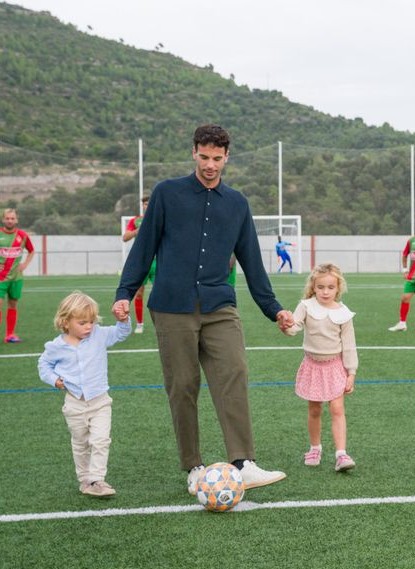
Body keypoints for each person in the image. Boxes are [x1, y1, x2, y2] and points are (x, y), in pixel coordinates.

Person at [113, 124, 293, 494]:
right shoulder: (167, 193)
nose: (210, 165)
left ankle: (243, 462)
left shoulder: (238, 204)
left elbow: (252, 263)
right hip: (171, 307)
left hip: (219, 305)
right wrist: (124, 292)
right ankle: (194, 467)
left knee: (234, 373)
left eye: (217, 158)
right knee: (183, 385)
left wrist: (274, 309)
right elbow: (143, 246)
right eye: (204, 157)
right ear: (194, 152)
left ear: (227, 157)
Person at [38, 292, 131, 497]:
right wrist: (53, 379)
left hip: (100, 402)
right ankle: (85, 481)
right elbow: (43, 365)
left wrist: (123, 321)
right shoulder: (56, 347)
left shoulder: (98, 335)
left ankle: (98, 479)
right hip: (74, 405)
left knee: (100, 440)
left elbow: (120, 333)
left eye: (91, 321)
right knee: (81, 444)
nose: (89, 326)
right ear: (65, 322)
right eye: (82, 323)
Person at [285, 263, 358, 472]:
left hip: (335, 366)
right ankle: (315, 448)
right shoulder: (306, 306)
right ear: (313, 287)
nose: (325, 292)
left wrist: (351, 372)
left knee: (337, 409)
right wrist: (287, 325)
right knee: (315, 409)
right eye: (320, 287)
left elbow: (349, 345)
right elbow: (294, 328)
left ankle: (341, 454)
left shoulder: (343, 313)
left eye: (330, 287)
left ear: (338, 288)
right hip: (313, 366)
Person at [0, 208, 35, 344]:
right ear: (3, 220)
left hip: (16, 277)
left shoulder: (23, 235)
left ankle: (10, 335)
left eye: (12, 218)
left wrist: (25, 264)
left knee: (12, 305)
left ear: (16, 220)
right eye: (7, 218)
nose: (10, 221)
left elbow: (31, 250)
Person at [122, 195, 156, 334]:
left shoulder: (158, 218)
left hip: (157, 261)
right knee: (139, 293)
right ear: (142, 206)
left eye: (149, 203)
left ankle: (159, 323)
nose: (147, 206)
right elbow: (125, 237)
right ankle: (140, 324)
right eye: (145, 204)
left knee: (159, 293)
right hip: (142, 261)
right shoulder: (136, 220)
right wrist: (137, 231)